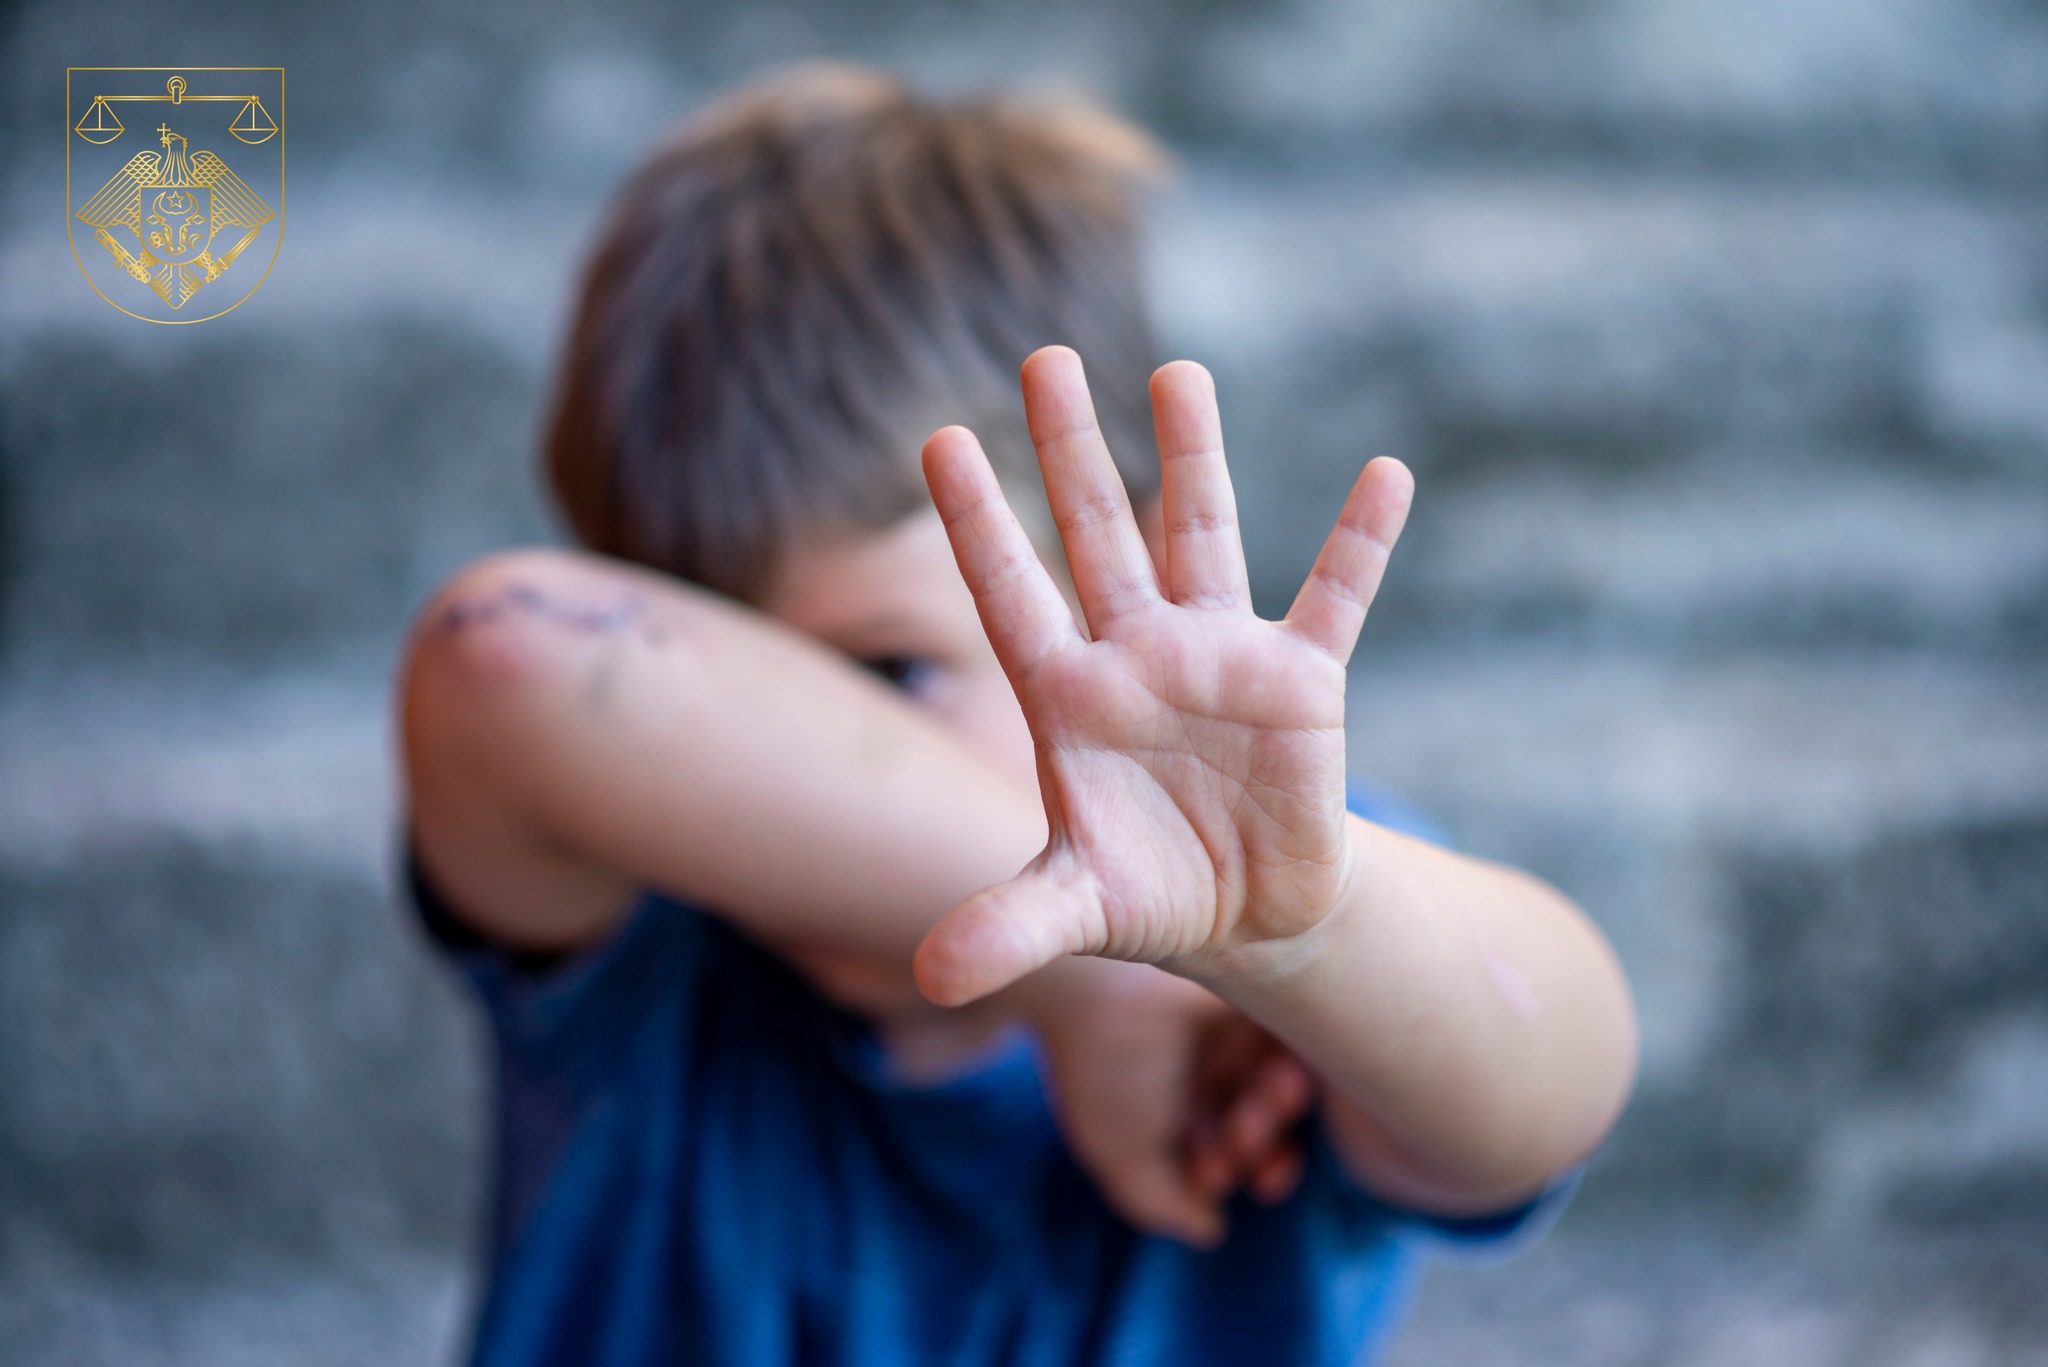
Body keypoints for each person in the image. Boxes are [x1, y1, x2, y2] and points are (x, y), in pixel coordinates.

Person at [396, 63, 1638, 1367]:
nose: (792, 751)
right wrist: (1079, 981)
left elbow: (1562, 1075)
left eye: (883, 677)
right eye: (731, 686)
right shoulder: (651, 949)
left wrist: (1305, 938)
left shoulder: (1266, 920)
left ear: (1138, 576)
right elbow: (506, 657)